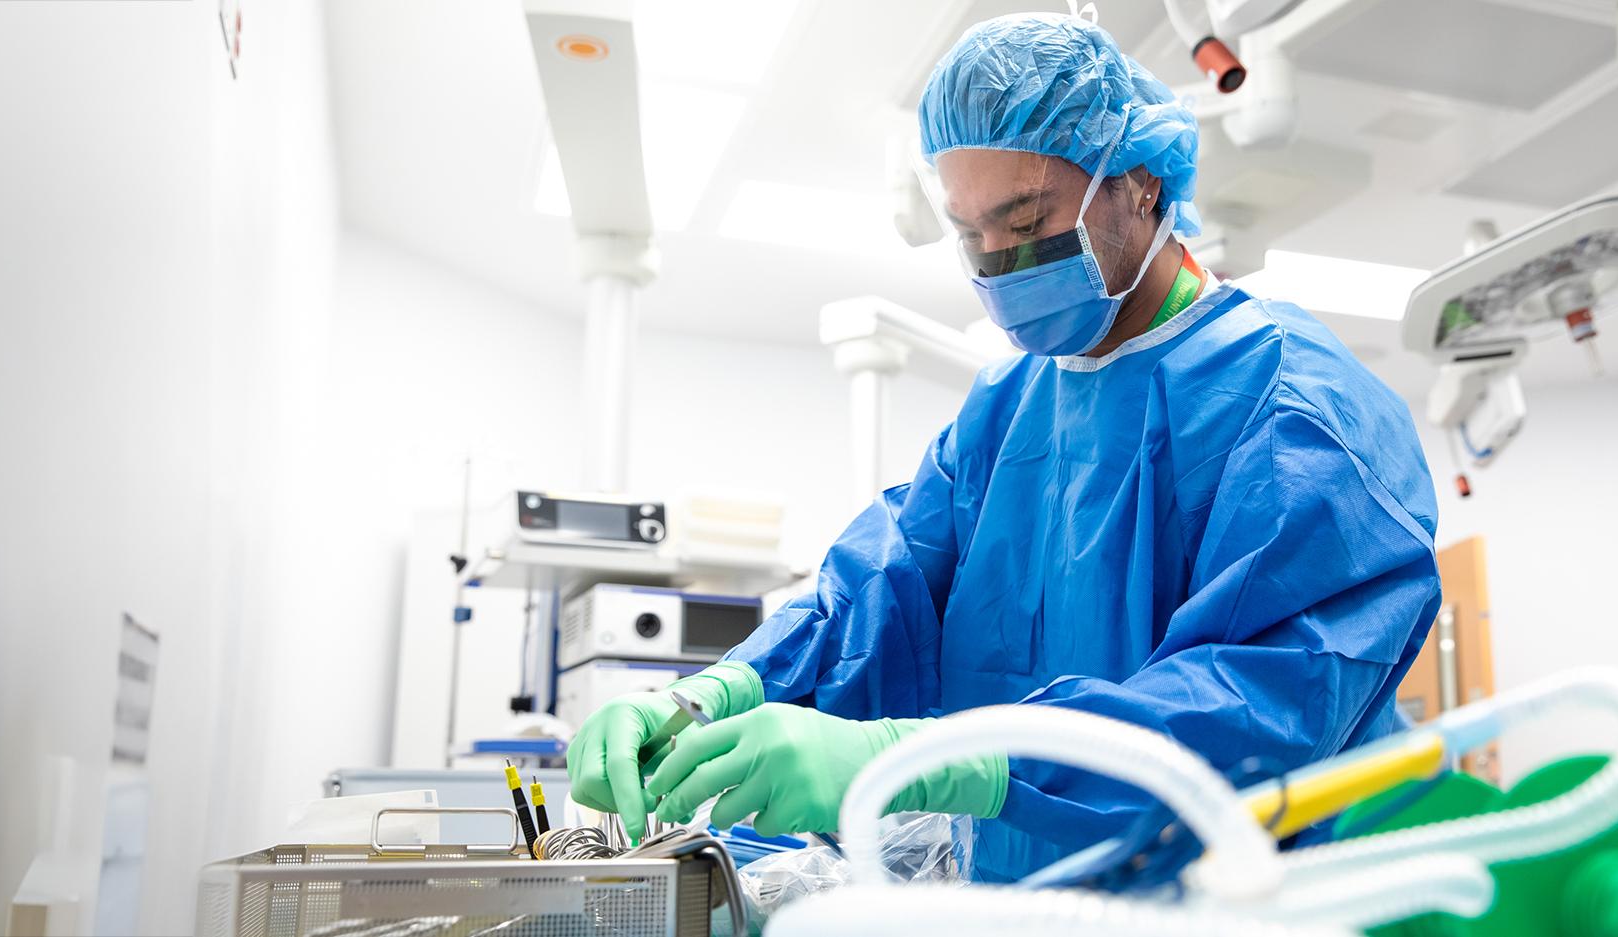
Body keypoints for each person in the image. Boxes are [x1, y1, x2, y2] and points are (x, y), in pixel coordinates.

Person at [569, 11, 1441, 882]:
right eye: (969, 231)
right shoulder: (1009, 406)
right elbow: (880, 593)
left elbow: (1256, 705)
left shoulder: (1293, 403)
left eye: (1026, 219)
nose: (996, 262)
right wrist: (718, 692)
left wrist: (965, 758)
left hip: (1239, 901)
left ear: (1139, 184)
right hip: (1029, 896)